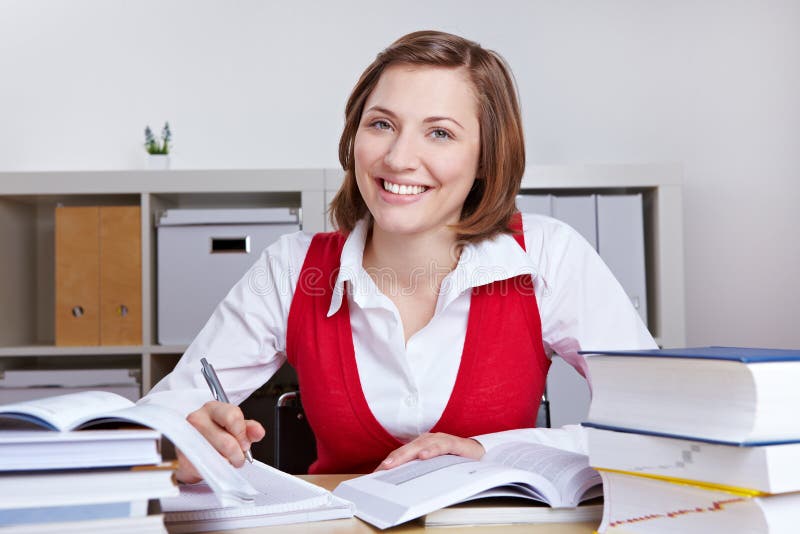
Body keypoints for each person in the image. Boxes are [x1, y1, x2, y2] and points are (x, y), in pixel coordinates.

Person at [141, 30, 656, 483]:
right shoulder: (293, 268)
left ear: (485, 158)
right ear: (354, 136)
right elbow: (160, 416)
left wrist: (490, 450)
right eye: (382, 124)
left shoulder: (547, 256)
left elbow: (662, 420)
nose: (398, 158)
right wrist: (180, 443)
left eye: (440, 133)